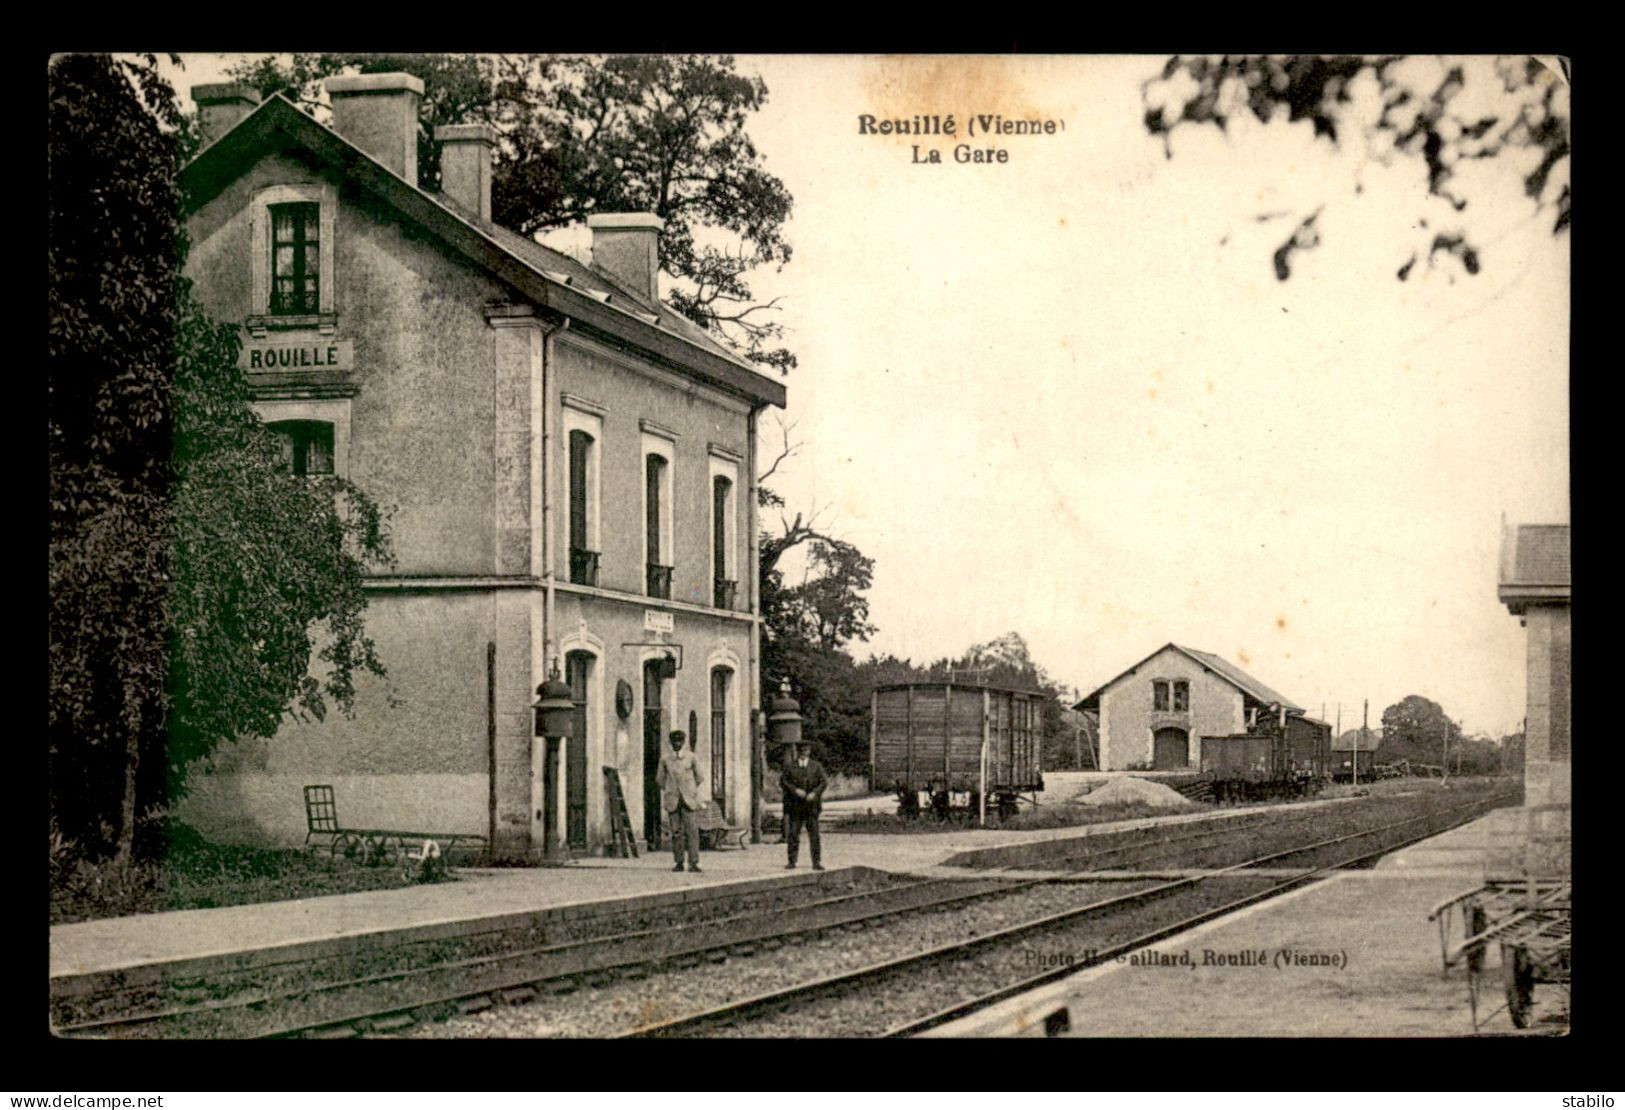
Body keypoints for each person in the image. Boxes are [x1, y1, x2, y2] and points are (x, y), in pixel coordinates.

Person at [656, 729, 704, 873]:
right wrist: (670, 789)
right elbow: (660, 779)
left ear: (683, 742)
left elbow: (699, 777)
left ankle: (694, 862)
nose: (677, 744)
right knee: (676, 832)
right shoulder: (665, 759)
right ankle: (679, 862)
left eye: (679, 741)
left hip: (688, 800)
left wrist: (689, 790)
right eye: (674, 741)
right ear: (670, 743)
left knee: (692, 831)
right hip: (673, 800)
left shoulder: (691, 758)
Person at [779, 739, 828, 870]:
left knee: (814, 835)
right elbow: (784, 782)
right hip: (795, 806)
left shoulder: (816, 766)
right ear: (798, 752)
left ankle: (816, 862)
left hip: (812, 806)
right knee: (793, 834)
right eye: (801, 751)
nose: (803, 753)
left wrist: (814, 793)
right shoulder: (790, 766)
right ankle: (792, 861)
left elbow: (823, 782)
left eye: (806, 751)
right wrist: (795, 790)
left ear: (809, 752)